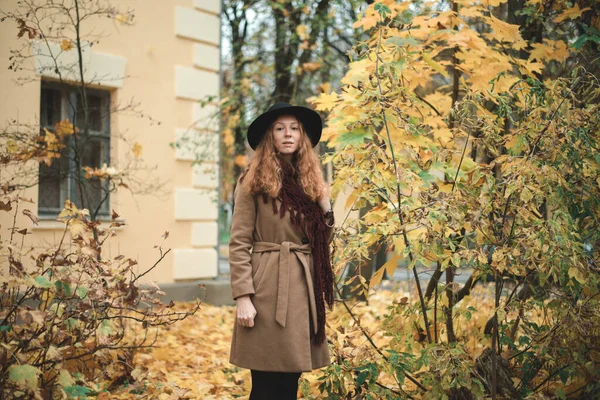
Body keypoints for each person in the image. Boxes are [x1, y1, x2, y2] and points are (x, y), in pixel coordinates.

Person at [229, 102, 335, 400]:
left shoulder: (309, 182)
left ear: (302, 137)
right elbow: (238, 242)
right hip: (265, 289)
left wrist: (326, 206)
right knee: (264, 384)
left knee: (289, 383)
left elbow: (320, 241)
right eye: (279, 128)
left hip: (302, 290)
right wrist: (243, 297)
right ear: (269, 137)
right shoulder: (253, 180)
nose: (288, 134)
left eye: (294, 129)